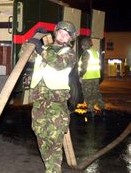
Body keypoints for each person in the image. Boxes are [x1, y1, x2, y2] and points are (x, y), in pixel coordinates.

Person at [19, 21, 77, 173]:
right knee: (43, 143)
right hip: (39, 105)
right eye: (61, 32)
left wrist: (41, 49)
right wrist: (32, 39)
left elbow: (58, 64)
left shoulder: (69, 53)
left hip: (56, 106)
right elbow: (23, 56)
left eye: (66, 35)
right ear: (55, 33)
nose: (63, 36)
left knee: (54, 146)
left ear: (70, 39)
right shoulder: (44, 49)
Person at [78, 37, 104, 116]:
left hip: (87, 77)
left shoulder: (86, 53)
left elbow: (84, 67)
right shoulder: (95, 52)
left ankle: (90, 111)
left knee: (88, 95)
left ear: (84, 45)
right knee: (96, 93)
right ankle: (102, 107)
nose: (82, 47)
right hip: (96, 76)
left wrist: (81, 76)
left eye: (82, 45)